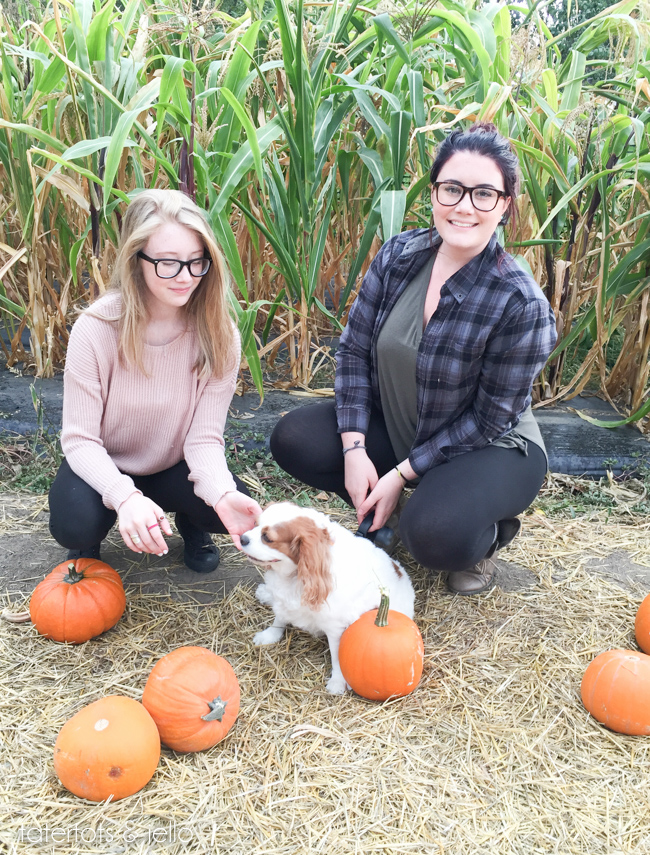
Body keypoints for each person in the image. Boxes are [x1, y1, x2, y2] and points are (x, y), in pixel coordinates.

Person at [270, 122, 557, 595]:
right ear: (434, 193)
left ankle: (482, 538)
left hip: (490, 447)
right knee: (294, 438)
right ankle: (396, 505)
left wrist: (402, 473)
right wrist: (355, 448)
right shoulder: (400, 255)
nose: (465, 206)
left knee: (433, 536)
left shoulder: (518, 302)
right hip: (404, 424)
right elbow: (355, 352)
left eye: (484, 193)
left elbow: (488, 420)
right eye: (452, 189)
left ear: (504, 204)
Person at [49, 189, 261, 572]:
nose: (186, 277)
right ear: (137, 260)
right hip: (108, 460)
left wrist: (221, 492)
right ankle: (94, 537)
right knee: (74, 524)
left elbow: (203, 437)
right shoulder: (96, 329)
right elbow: (79, 440)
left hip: (173, 464)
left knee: (225, 507)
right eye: (168, 263)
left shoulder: (219, 332)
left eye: (198, 262)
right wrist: (124, 496)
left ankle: (192, 523)